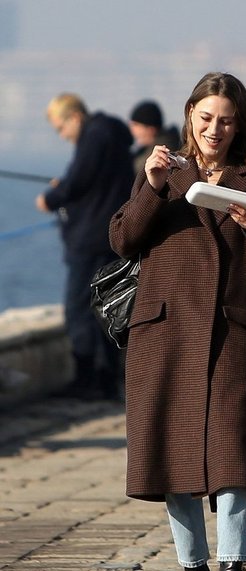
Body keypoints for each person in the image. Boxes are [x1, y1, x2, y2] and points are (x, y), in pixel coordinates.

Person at [109, 72, 246, 571]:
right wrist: (151, 186)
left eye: (227, 121)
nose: (215, 129)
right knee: (173, 457)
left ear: (240, 125)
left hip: (231, 333)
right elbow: (122, 239)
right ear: (190, 113)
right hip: (163, 334)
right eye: (207, 117)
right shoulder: (163, 169)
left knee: (233, 458)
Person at [35, 93, 134, 401]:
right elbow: (92, 182)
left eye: (61, 128)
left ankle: (87, 378)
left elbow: (78, 180)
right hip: (111, 237)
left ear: (75, 117)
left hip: (90, 239)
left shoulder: (94, 136)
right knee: (107, 308)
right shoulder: (113, 135)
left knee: (79, 309)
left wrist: (51, 198)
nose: (62, 135)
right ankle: (107, 380)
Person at [129, 100, 181, 174]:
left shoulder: (162, 153)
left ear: (151, 129)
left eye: (136, 125)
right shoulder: (144, 150)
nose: (132, 130)